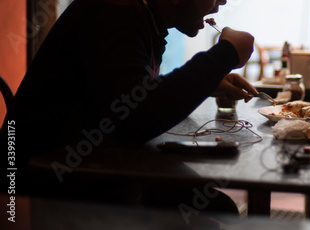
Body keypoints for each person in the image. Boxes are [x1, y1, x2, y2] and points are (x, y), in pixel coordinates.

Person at [0, 0, 258, 221]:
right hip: (35, 191)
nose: (222, 1)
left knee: (215, 206)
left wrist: (207, 83)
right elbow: (133, 117)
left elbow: (130, 90)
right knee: (214, 210)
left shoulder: (141, 16)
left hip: (87, 168)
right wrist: (224, 55)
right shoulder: (113, 12)